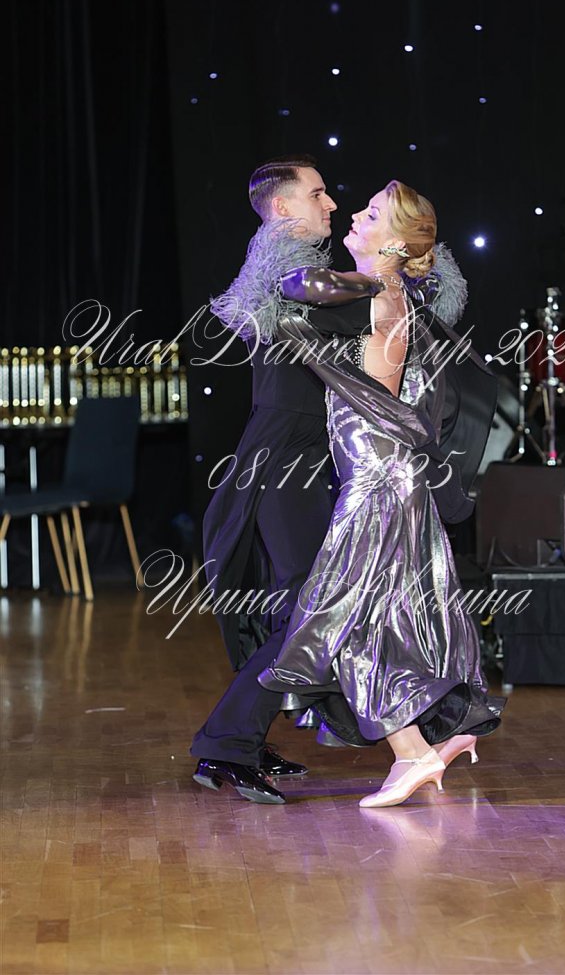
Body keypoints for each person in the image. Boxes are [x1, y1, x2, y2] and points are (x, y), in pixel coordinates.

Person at [258, 180, 504, 807]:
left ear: (394, 242)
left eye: (370, 215)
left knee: (345, 620)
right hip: (391, 479)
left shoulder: (376, 295)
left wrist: (290, 277)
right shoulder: (387, 294)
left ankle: (412, 752)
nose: (354, 216)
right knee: (395, 615)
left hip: (376, 483)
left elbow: (296, 288)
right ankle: (444, 732)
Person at [191, 156, 379, 804]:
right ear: (281, 208)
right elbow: (323, 293)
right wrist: (390, 276)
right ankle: (226, 743)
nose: (331, 204)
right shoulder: (286, 267)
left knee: (296, 604)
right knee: (307, 605)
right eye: (317, 193)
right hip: (284, 455)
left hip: (291, 451)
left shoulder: (285, 268)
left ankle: (240, 736)